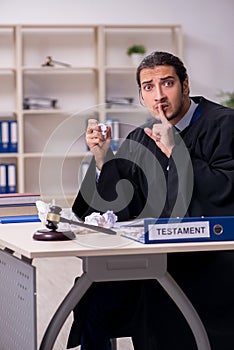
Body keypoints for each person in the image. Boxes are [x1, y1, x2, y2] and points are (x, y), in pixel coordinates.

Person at [67, 51, 234, 350]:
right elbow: (122, 206)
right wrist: (103, 158)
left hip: (211, 261)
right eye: (148, 87)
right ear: (141, 96)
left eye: (167, 83)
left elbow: (226, 190)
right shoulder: (140, 138)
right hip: (156, 259)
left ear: (185, 85)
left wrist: (176, 151)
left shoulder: (225, 124)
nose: (159, 95)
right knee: (93, 297)